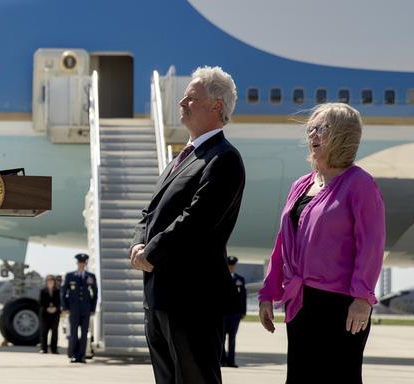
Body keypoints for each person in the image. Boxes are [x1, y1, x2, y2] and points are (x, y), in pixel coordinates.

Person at [129, 66, 245, 383]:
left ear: (215, 106)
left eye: (191, 98)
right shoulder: (183, 157)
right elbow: (149, 211)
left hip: (192, 298)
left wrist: (150, 252)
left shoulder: (223, 158)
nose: (182, 102)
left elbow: (197, 221)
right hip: (160, 295)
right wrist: (138, 243)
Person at [258, 103, 385, 384]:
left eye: (322, 129)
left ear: (343, 135)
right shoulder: (301, 185)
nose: (313, 135)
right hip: (301, 301)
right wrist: (268, 292)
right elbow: (283, 245)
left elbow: (372, 244)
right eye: (310, 129)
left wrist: (363, 298)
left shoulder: (360, 184)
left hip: (342, 306)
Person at [61, 253, 97, 364]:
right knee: (73, 333)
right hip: (73, 309)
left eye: (83, 263)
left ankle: (82, 356)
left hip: (86, 309)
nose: (81, 264)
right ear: (77, 263)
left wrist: (93, 308)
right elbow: (63, 293)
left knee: (85, 333)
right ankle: (74, 355)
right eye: (80, 262)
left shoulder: (90, 276)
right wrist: (65, 307)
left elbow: (95, 293)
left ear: (85, 264)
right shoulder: (70, 276)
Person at [221, 256, 246, 368]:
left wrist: (243, 312)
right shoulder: (220, 278)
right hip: (222, 314)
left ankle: (231, 361)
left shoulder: (240, 280)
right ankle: (221, 360)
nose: (231, 268)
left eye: (232, 266)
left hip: (235, 314)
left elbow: (243, 297)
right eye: (229, 265)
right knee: (221, 339)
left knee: (232, 339)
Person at [38, 275, 61, 354]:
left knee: (54, 332)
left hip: (55, 314)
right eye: (48, 281)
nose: (50, 282)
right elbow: (40, 302)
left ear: (54, 282)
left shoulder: (58, 291)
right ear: (46, 282)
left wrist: (56, 308)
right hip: (45, 314)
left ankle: (54, 349)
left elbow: (60, 302)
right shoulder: (43, 291)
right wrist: (47, 308)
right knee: (44, 332)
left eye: (52, 281)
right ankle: (43, 348)